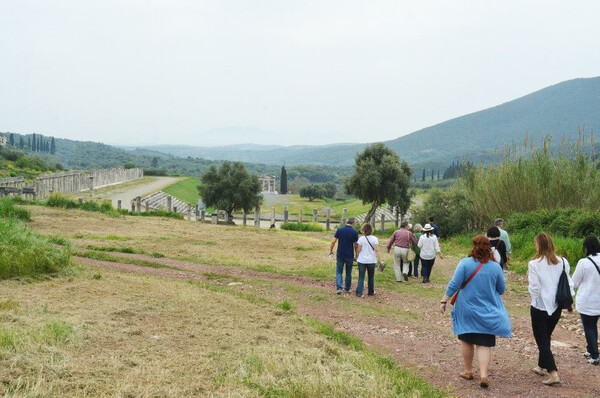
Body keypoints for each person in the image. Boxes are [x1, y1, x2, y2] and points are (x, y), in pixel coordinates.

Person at [440, 235, 512, 389]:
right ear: (489, 248)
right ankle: (484, 375)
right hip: (487, 311)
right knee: (484, 344)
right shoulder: (495, 267)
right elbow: (501, 289)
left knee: (466, 339)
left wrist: (444, 300)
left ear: (474, 246)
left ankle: (468, 371)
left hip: (466, 309)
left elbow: (454, 284)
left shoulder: (465, 263)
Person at [528, 232, 574, 385]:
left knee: (541, 339)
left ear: (538, 245)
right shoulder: (563, 261)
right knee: (546, 336)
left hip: (540, 305)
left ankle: (553, 373)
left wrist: (534, 295)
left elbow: (535, 288)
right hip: (557, 306)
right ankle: (541, 366)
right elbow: (569, 283)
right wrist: (569, 302)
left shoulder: (534, 264)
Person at [572, 236, 600, 366]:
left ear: (586, 247)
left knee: (588, 327)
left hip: (587, 300)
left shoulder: (583, 262)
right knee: (593, 325)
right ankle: (590, 349)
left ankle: (595, 355)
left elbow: (575, 282)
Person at [330, 218, 359, 294]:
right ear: (353, 223)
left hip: (340, 254)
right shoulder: (354, 232)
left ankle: (339, 287)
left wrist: (331, 251)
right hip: (349, 255)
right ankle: (347, 289)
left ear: (347, 222)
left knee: (339, 271)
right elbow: (356, 245)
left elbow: (333, 242)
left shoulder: (339, 230)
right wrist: (356, 255)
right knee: (348, 272)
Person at [355, 223, 381, 297]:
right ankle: (371, 292)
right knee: (371, 276)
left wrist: (357, 256)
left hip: (362, 260)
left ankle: (359, 292)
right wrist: (380, 260)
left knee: (361, 276)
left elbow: (358, 249)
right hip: (371, 261)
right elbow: (377, 250)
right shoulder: (374, 239)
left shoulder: (361, 239)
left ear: (363, 230)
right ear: (371, 230)